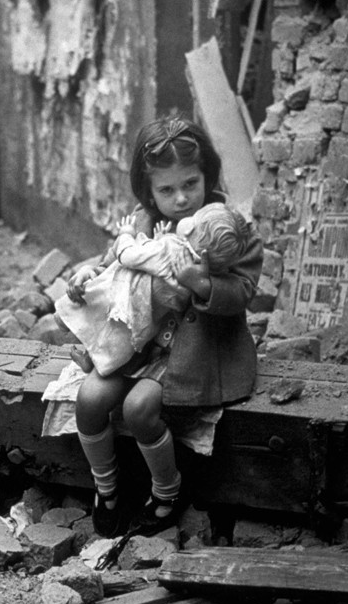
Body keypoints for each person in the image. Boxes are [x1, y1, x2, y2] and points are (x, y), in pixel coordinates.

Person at [65, 114, 263, 537]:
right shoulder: (142, 220)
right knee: (89, 399)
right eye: (166, 189)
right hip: (138, 341)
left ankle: (166, 491)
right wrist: (87, 274)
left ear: (207, 174)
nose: (181, 199)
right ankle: (108, 487)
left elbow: (244, 289)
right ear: (148, 190)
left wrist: (203, 285)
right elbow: (116, 259)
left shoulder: (229, 227)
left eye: (191, 184)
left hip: (197, 349)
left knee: (139, 409)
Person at [55, 202, 254, 377]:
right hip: (146, 321)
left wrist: (126, 233)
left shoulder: (169, 251)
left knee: (79, 315)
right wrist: (160, 239)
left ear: (192, 230)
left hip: (124, 299)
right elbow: (164, 274)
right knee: (114, 342)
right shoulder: (197, 270)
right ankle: (91, 361)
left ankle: (63, 323)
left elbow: (127, 256)